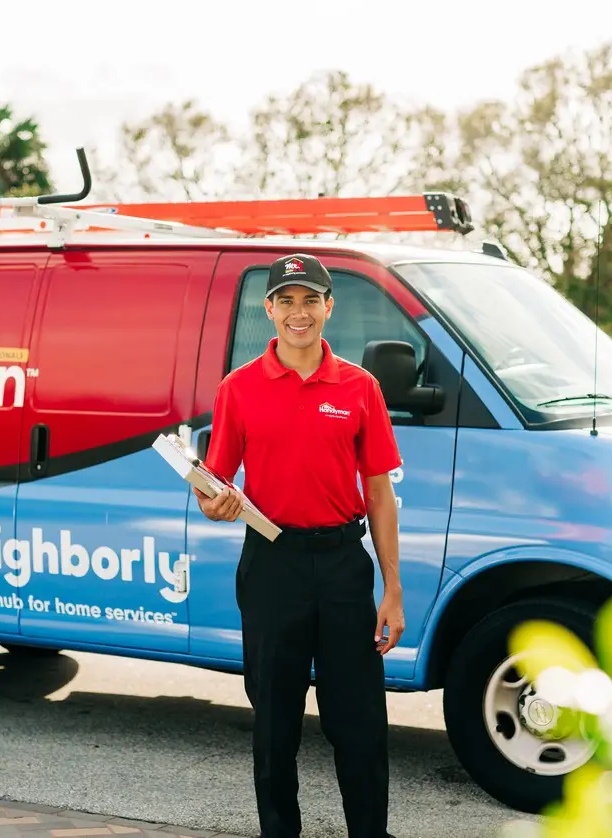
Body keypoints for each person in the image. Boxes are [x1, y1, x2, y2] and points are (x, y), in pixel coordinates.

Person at [195, 252, 405, 838]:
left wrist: (391, 588)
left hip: (343, 565)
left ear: (328, 307)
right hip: (272, 565)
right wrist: (214, 504)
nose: (299, 312)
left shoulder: (361, 389)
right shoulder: (238, 390)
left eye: (310, 299)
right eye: (286, 301)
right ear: (268, 310)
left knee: (359, 719)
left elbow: (381, 494)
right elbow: (215, 487)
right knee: (275, 723)